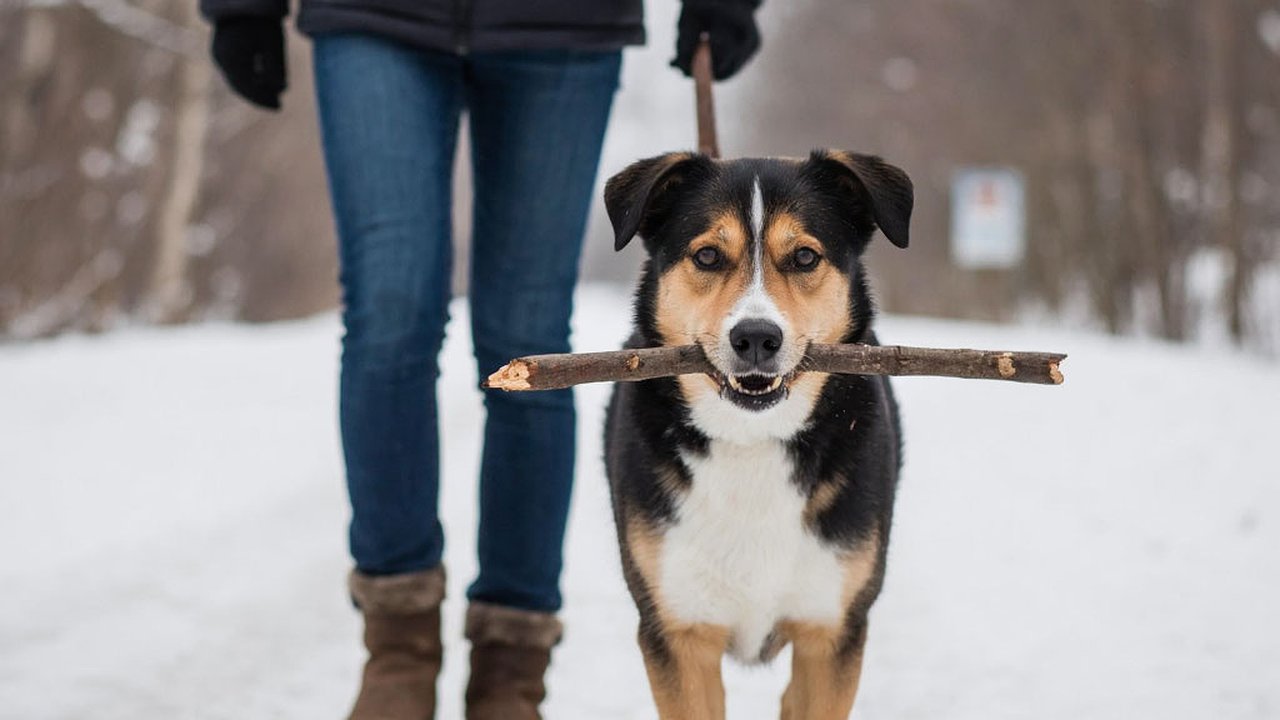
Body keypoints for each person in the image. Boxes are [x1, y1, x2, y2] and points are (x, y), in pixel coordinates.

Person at [198, 0, 761, 717]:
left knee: (529, 342)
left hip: (561, 26)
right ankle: (397, 645)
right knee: (388, 315)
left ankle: (512, 663)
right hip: (374, 16)